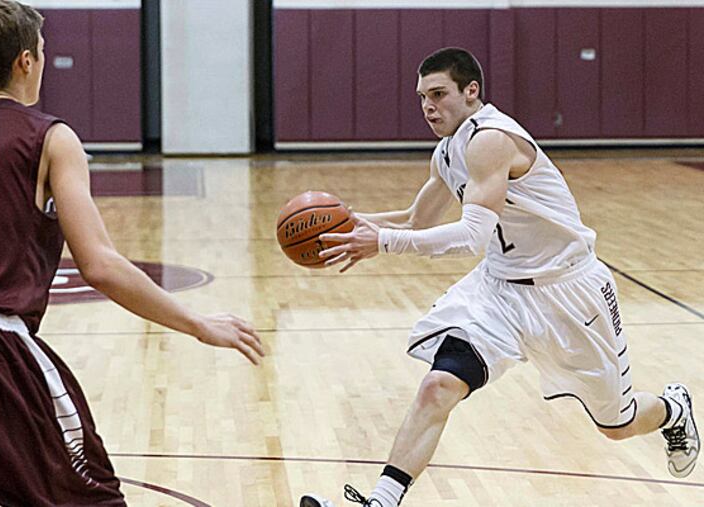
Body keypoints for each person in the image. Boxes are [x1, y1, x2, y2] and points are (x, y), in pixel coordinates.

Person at [300, 47, 699, 507]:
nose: (429, 107)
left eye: (438, 94)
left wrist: (382, 244)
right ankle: (381, 501)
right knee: (437, 386)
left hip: (569, 293)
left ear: (472, 91)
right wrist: (347, 224)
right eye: (422, 97)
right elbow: (416, 221)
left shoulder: (491, 139)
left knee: (617, 423)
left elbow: (471, 235)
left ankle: (672, 410)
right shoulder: (448, 149)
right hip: (501, 292)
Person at [0, 1, 264, 505]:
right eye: (44, 51)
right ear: (26, 61)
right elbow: (99, 265)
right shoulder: (48, 136)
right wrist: (197, 323)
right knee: (92, 498)